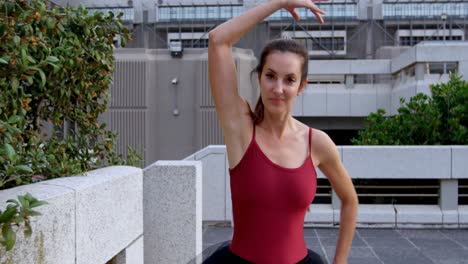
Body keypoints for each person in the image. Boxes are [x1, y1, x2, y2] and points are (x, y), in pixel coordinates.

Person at [205, 0, 359, 263]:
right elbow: (218, 40)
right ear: (259, 78)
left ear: (301, 86)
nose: (278, 88)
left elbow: (349, 200)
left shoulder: (317, 143)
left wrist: (340, 261)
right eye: (271, 76)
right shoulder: (241, 130)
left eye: (289, 80)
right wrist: (280, 3)